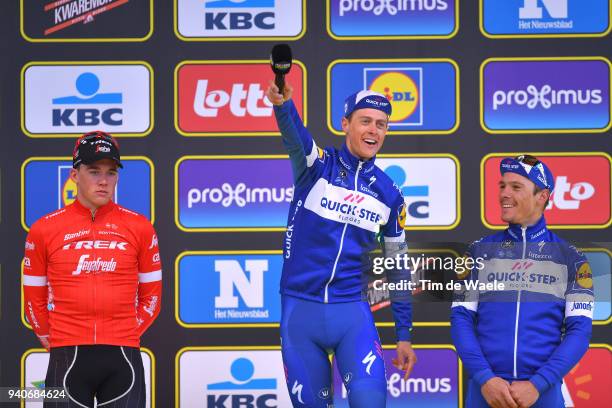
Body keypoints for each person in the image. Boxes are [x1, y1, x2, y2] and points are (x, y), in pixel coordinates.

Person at [266, 81, 416, 408]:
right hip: (301, 313)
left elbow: (398, 267)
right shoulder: (317, 167)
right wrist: (282, 106)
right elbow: (295, 135)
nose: (373, 130)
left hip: (351, 314)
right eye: (365, 121)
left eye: (381, 124)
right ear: (345, 124)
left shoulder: (390, 195)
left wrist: (404, 334)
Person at [23, 130, 162, 408]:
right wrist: (57, 337)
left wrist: (124, 331)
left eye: (111, 172)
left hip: (124, 358)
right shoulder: (44, 229)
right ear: (74, 174)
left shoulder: (140, 227)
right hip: (66, 358)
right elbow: (33, 298)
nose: (103, 181)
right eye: (94, 171)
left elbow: (152, 296)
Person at [451, 155, 594, 408]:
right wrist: (485, 379)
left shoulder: (572, 258)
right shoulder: (477, 252)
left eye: (516, 187)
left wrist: (538, 384)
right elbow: (461, 319)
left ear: (542, 196)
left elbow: (580, 332)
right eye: (502, 185)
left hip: (541, 394)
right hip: (486, 393)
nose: (504, 193)